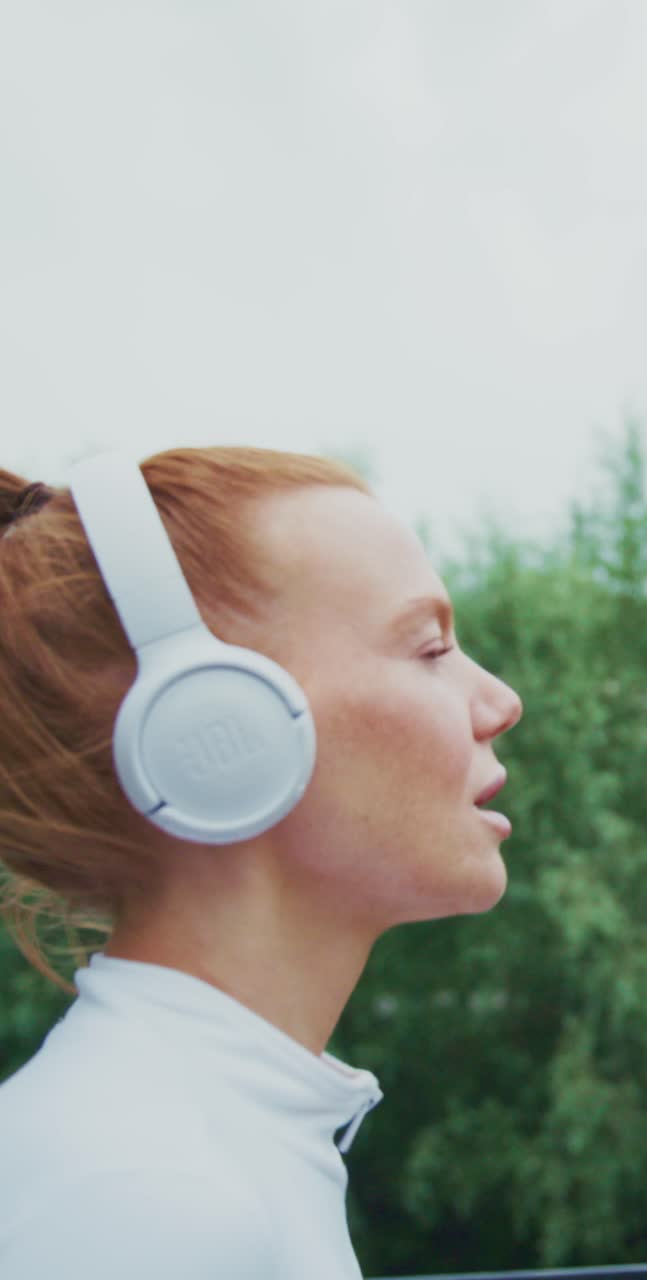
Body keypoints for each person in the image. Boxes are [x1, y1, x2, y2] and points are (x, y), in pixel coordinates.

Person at [0, 445, 523, 1279]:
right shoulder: (145, 1201)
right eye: (429, 648)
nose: (500, 702)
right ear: (219, 728)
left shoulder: (210, 1150)